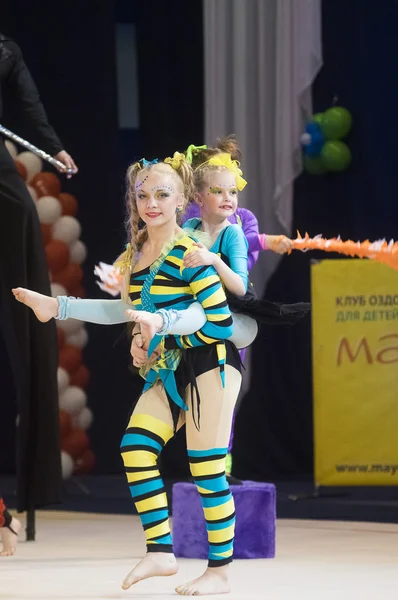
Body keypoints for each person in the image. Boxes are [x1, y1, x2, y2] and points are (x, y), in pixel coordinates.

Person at [13, 153, 243, 596]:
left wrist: (163, 324)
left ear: (180, 201)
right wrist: (55, 306)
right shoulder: (137, 255)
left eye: (161, 194)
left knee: (207, 469)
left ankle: (221, 570)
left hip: (211, 363)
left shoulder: (192, 252)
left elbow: (213, 318)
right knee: (136, 448)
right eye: (142, 195)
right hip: (172, 367)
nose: (151, 203)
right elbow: (120, 310)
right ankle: (161, 550)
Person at [0, 32, 78, 556]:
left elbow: (28, 101)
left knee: (22, 210)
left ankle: (16, 509)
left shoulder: (5, 50)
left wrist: (51, 145)